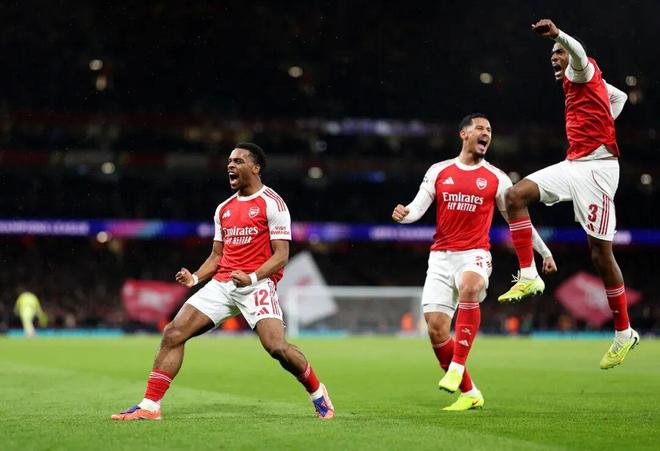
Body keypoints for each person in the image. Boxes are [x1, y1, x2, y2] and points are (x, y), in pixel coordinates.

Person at [112, 143, 334, 421]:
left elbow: (281, 256)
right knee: (173, 333)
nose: (230, 165)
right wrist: (195, 277)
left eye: (238, 161)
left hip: (257, 285)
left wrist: (252, 277)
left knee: (276, 347)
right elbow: (217, 255)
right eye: (229, 161)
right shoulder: (224, 209)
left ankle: (317, 391)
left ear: (256, 168)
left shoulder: (273, 203)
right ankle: (150, 406)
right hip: (222, 284)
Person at [498, 19, 638, 369]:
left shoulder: (581, 70)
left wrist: (559, 35)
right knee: (514, 197)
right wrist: (604, 121)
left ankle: (624, 332)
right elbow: (618, 98)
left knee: (600, 254)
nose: (554, 58)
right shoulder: (588, 85)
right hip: (573, 164)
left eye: (558, 53)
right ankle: (528, 274)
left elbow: (578, 53)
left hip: (599, 171)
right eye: (551, 54)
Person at [392, 113, 555, 411]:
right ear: (464, 134)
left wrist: (544, 252)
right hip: (440, 257)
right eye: (480, 128)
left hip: (475, 254)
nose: (486, 133)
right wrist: (404, 214)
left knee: (470, 286)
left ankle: (457, 365)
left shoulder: (497, 177)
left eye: (490, 130)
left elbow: (518, 221)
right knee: (436, 329)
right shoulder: (439, 170)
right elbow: (417, 208)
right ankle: (469, 392)